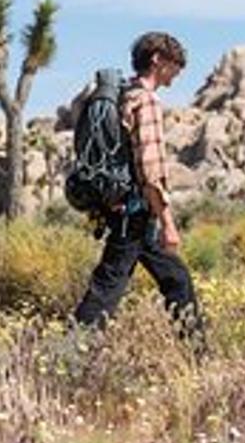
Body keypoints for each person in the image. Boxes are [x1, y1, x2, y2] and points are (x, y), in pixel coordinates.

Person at [72, 30, 205, 342]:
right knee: (107, 288)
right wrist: (169, 223)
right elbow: (151, 170)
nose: (179, 71)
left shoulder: (123, 95)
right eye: (175, 64)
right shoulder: (146, 101)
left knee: (176, 280)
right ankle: (68, 355)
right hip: (136, 213)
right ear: (157, 60)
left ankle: (198, 354)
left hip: (125, 211)